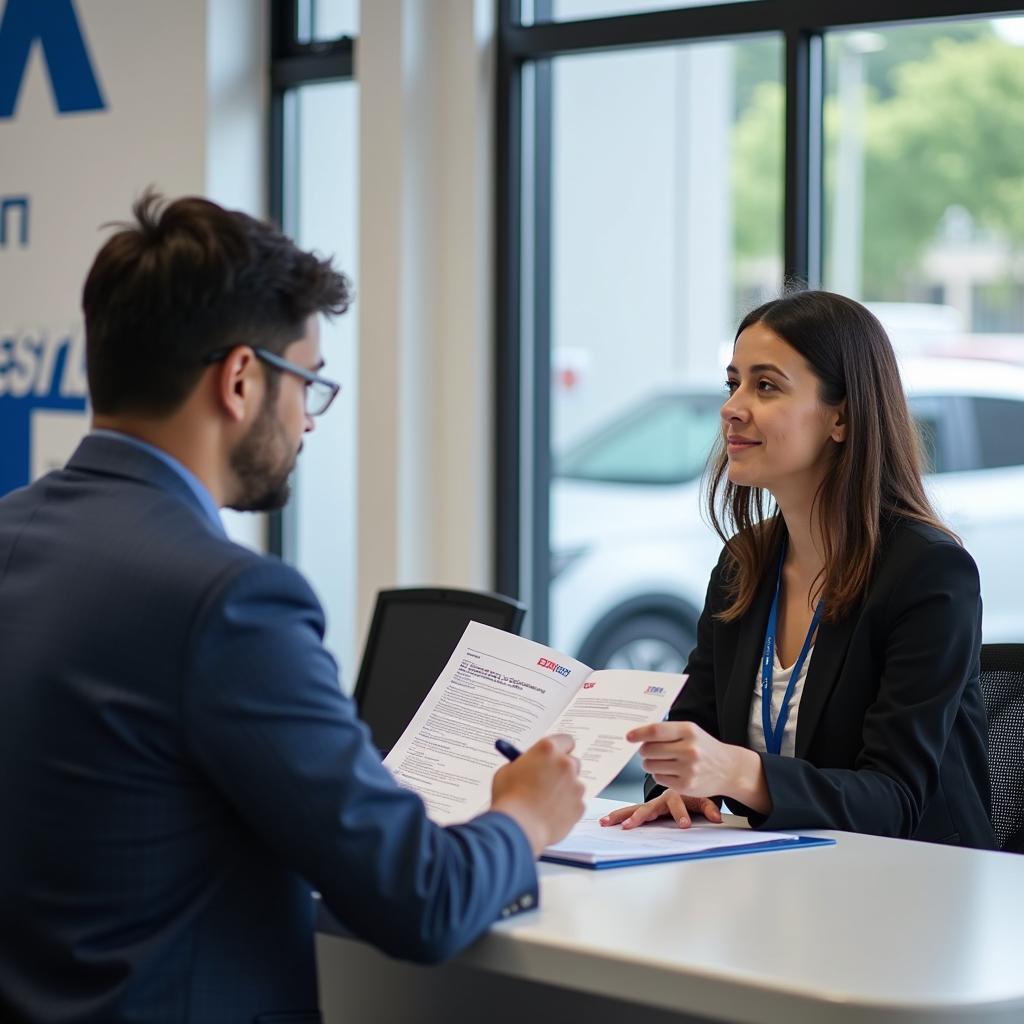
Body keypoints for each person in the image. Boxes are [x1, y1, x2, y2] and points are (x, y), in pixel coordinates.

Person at [0, 193, 585, 1024]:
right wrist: (524, 814)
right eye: (307, 381)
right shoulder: (230, 600)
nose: (308, 421)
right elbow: (422, 900)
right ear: (239, 379)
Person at [602, 290, 996, 849]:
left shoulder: (930, 573)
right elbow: (695, 735)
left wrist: (735, 772)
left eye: (765, 386)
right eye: (732, 382)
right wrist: (679, 785)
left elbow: (895, 799)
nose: (732, 407)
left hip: (915, 889)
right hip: (780, 876)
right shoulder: (744, 564)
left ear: (841, 417)